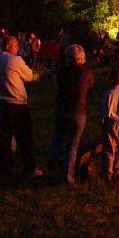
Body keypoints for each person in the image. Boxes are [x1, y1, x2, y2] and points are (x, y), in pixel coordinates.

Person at [0, 36, 40, 177]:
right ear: (9, 46)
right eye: (16, 46)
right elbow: (29, 76)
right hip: (16, 105)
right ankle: (29, 168)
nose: (18, 48)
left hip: (0, 104)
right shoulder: (14, 60)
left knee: (4, 139)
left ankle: (6, 168)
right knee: (24, 138)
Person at [49, 44, 94, 186]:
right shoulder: (86, 73)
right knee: (72, 146)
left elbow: (59, 85)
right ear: (82, 57)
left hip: (62, 109)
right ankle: (67, 177)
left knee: (59, 137)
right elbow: (89, 89)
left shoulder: (62, 70)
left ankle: (53, 161)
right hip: (78, 112)